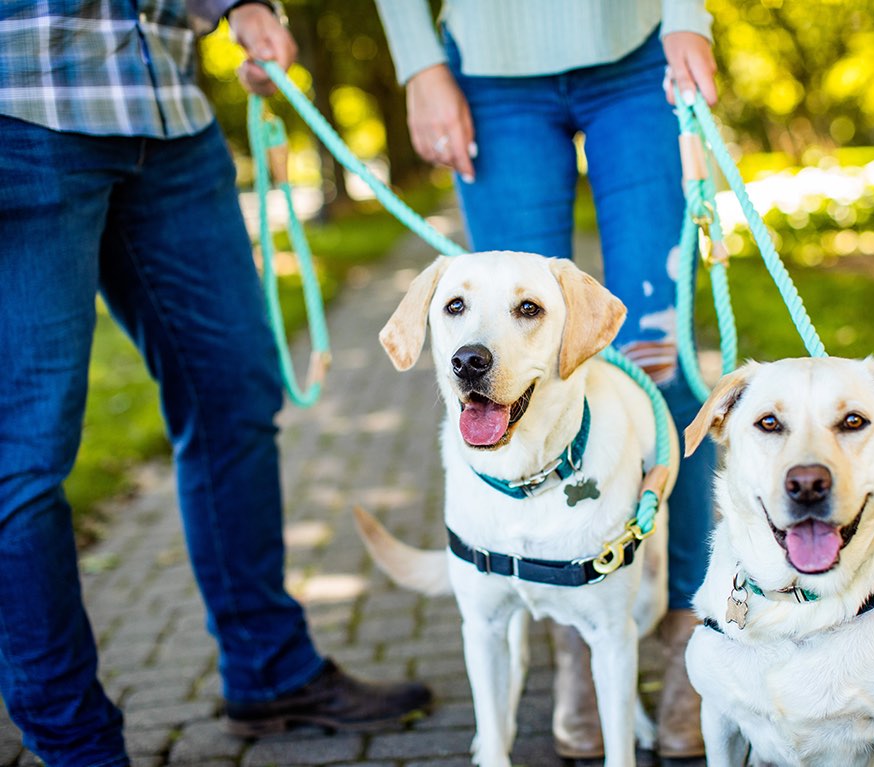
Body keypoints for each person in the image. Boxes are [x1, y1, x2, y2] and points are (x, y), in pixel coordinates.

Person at [0, 2, 430, 764]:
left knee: (235, 392)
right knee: (25, 455)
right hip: (25, 106)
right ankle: (76, 743)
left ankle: (270, 672)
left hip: (165, 106)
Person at [374, 1, 719, 759]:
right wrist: (417, 62)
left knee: (663, 357)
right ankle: (579, 636)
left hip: (636, 51)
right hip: (490, 70)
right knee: (503, 326)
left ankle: (696, 631)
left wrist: (688, 16)